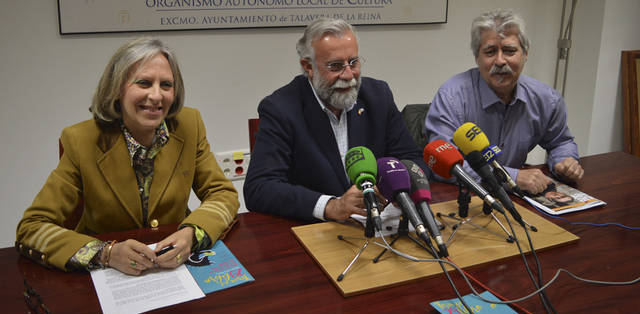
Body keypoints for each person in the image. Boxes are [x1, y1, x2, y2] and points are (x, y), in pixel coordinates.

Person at [16, 38, 239, 275]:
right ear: (117, 89)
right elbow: (32, 227)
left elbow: (222, 193)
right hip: (111, 275)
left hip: (174, 269)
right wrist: (105, 253)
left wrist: (192, 233)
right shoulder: (81, 140)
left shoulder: (189, 125)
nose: (156, 96)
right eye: (143, 83)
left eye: (166, 85)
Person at [243, 18, 426, 223]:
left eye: (353, 62)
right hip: (316, 230)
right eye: (336, 66)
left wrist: (392, 186)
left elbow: (412, 160)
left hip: (380, 222)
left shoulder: (378, 96)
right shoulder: (281, 108)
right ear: (308, 67)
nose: (349, 75)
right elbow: (259, 187)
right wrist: (331, 205)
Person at [425, 9, 584, 195]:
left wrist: (564, 162)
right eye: (490, 52)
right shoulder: (452, 97)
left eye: (509, 51)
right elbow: (444, 166)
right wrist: (510, 177)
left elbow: (560, 141)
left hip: (518, 198)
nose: (500, 61)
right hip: (464, 196)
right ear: (477, 57)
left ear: (525, 54)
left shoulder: (546, 99)